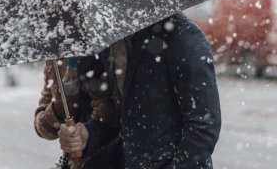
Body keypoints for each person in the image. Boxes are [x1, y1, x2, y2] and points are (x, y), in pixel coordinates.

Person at [53, 12, 222, 168]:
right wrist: (88, 135)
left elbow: (203, 126)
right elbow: (123, 123)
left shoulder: (181, 35)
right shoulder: (112, 40)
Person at [34, 56, 119, 169]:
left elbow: (114, 118)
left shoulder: (106, 50)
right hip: (73, 162)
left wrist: (88, 133)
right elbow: (43, 129)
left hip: (109, 159)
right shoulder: (54, 59)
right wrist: (63, 103)